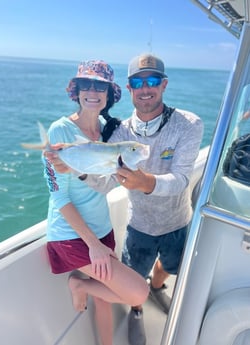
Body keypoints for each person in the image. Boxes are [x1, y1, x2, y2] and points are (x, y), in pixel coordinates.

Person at [46, 53, 204, 345]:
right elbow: (92, 184)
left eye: (153, 80)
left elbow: (182, 178)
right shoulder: (113, 133)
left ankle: (157, 288)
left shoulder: (187, 124)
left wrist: (147, 182)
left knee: (168, 268)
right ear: (129, 88)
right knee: (134, 290)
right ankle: (137, 313)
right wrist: (77, 171)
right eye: (138, 81)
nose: (146, 88)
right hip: (135, 226)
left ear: (164, 84)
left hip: (174, 221)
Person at [43, 59, 149, 345]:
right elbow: (58, 194)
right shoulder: (59, 131)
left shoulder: (110, 130)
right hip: (72, 234)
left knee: (105, 299)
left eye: (100, 87)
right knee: (138, 293)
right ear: (75, 91)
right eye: (85, 85)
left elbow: (109, 180)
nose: (93, 92)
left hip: (102, 228)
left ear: (109, 95)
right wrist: (93, 245)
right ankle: (78, 283)